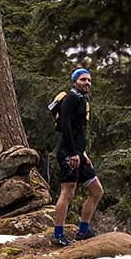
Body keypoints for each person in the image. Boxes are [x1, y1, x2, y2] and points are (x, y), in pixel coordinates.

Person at [51, 67, 104, 246]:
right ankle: (58, 234)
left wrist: (83, 153)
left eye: (89, 80)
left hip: (79, 154)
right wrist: (73, 153)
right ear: (75, 82)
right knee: (68, 192)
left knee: (97, 191)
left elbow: (78, 130)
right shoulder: (71, 99)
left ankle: (83, 231)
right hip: (68, 153)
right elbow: (65, 127)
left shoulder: (82, 99)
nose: (87, 82)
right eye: (83, 79)